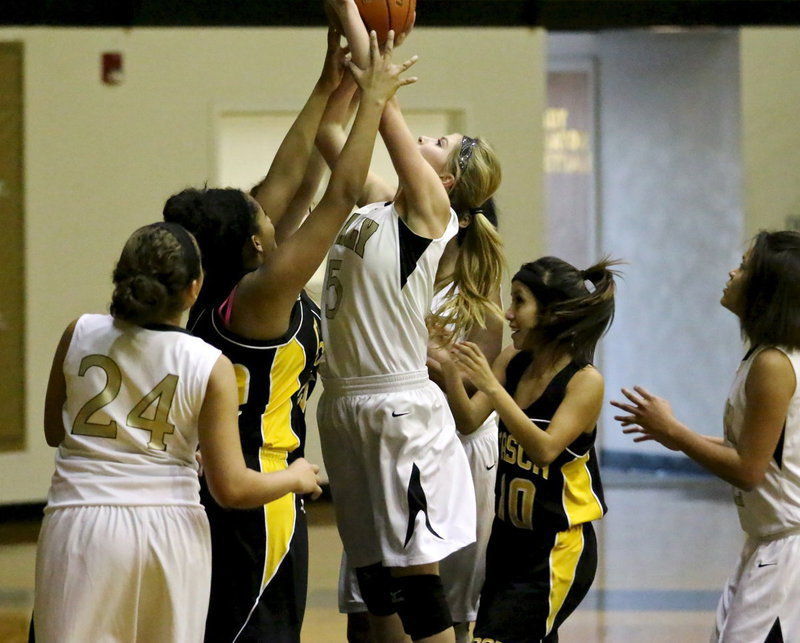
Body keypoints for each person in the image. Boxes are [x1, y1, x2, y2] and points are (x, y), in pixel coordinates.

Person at [163, 28, 417, 643]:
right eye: (262, 215)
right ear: (255, 240)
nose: (273, 210)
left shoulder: (218, 283)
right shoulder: (257, 298)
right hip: (258, 497)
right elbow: (338, 194)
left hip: (223, 490)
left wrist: (328, 84)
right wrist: (374, 100)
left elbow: (294, 178)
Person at [32, 222, 322, 643]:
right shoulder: (207, 361)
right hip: (169, 530)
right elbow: (232, 489)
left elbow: (54, 431)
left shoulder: (79, 331)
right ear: (193, 289)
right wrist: (294, 477)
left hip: (80, 523)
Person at [317, 3, 503, 641]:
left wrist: (363, 30)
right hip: (344, 400)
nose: (427, 138)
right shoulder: (378, 205)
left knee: (415, 580)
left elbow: (385, 116)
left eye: (440, 144)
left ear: (446, 178)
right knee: (374, 580)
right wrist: (343, 66)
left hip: (399, 408)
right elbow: (330, 133)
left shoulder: (428, 211)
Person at [611, 230, 800, 642]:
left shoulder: (773, 363)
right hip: (767, 544)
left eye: (746, 267)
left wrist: (675, 432)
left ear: (768, 288)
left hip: (788, 553)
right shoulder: (767, 355)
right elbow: (760, 452)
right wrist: (675, 436)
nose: (733, 272)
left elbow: (749, 469)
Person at [337, 199, 506, 643]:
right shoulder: (395, 262)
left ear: (459, 216)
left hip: (455, 442)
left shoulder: (479, 296)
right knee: (367, 588)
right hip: (391, 429)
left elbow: (471, 403)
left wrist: (432, 367)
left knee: (445, 600)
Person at [437, 255, 619, 643]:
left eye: (519, 301)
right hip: (508, 540)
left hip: (557, 546)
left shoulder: (584, 381)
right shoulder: (513, 360)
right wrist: (449, 370)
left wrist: (491, 387)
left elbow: (546, 450)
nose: (508, 313)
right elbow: (469, 421)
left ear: (551, 314)